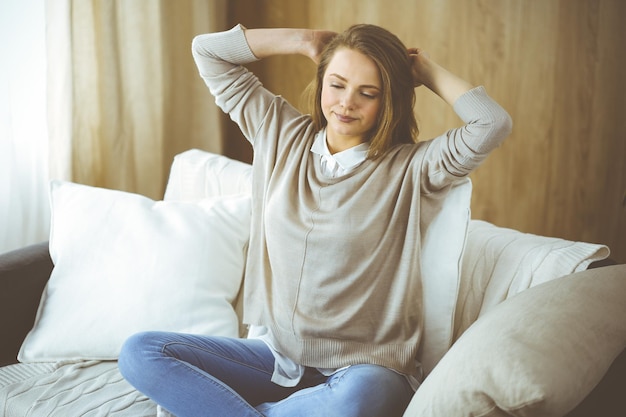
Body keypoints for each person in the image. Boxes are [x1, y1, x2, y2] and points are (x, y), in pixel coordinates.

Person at [118, 23, 512, 417]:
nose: (346, 103)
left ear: (390, 99)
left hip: (365, 372)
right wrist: (303, 41)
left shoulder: (412, 168)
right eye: (337, 84)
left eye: (368, 93)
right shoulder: (279, 132)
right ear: (321, 80)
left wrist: (423, 70)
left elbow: (491, 124)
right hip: (279, 362)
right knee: (140, 353)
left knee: (359, 399)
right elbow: (207, 51)